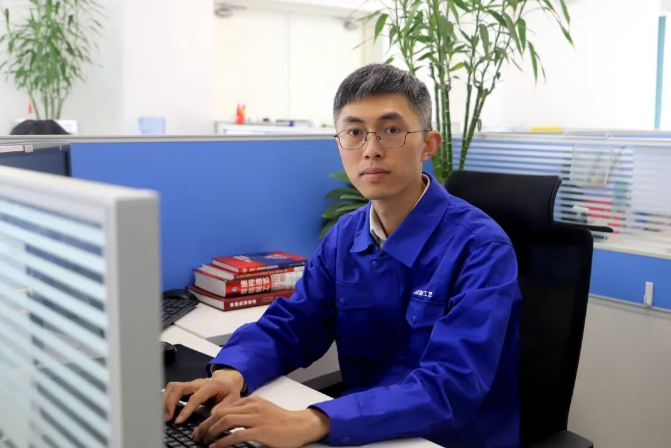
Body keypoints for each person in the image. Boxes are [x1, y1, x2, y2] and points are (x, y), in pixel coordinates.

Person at [164, 64, 522, 448]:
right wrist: (231, 374)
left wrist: (316, 419)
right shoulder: (346, 235)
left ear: (429, 144)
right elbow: (296, 324)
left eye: (392, 130)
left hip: (450, 439)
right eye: (354, 132)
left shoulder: (482, 248)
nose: (371, 149)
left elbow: (451, 386)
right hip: (362, 431)